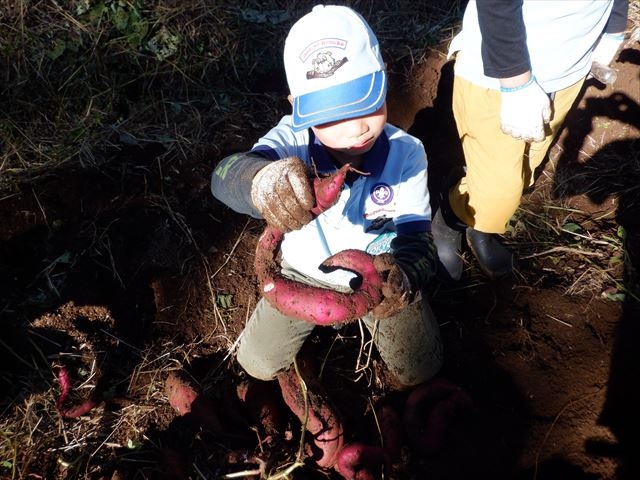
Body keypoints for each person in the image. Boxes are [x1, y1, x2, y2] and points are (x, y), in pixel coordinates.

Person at [210, 4, 443, 471]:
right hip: (298, 276)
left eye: (367, 105)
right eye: (334, 116)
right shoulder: (289, 144)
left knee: (422, 370)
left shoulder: (407, 154)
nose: (356, 128)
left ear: (383, 80)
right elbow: (223, 175)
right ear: (299, 109)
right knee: (256, 366)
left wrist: (407, 275)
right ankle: (304, 379)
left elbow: (418, 240)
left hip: (376, 282)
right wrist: (261, 182)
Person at [433, 0, 629, 281]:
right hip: (498, 76)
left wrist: (614, 27)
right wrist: (516, 83)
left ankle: (481, 222)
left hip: (567, 74)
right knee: (500, 185)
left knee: (528, 165)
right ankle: (449, 216)